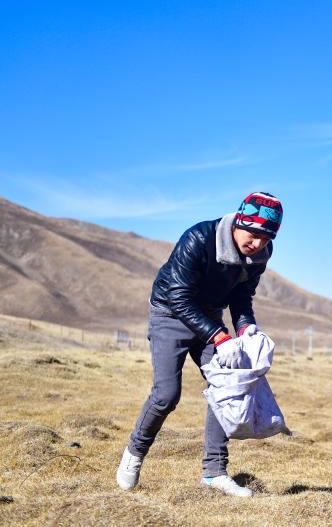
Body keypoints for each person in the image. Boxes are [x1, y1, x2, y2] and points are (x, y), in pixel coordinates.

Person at [115, 192, 283, 496]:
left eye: (266, 238)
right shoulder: (199, 238)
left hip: (210, 315)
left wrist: (246, 327)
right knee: (166, 395)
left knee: (226, 387)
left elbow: (242, 296)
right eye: (253, 234)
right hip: (170, 312)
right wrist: (219, 336)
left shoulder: (261, 253)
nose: (258, 243)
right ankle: (134, 453)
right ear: (239, 222)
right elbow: (179, 297)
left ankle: (214, 473)